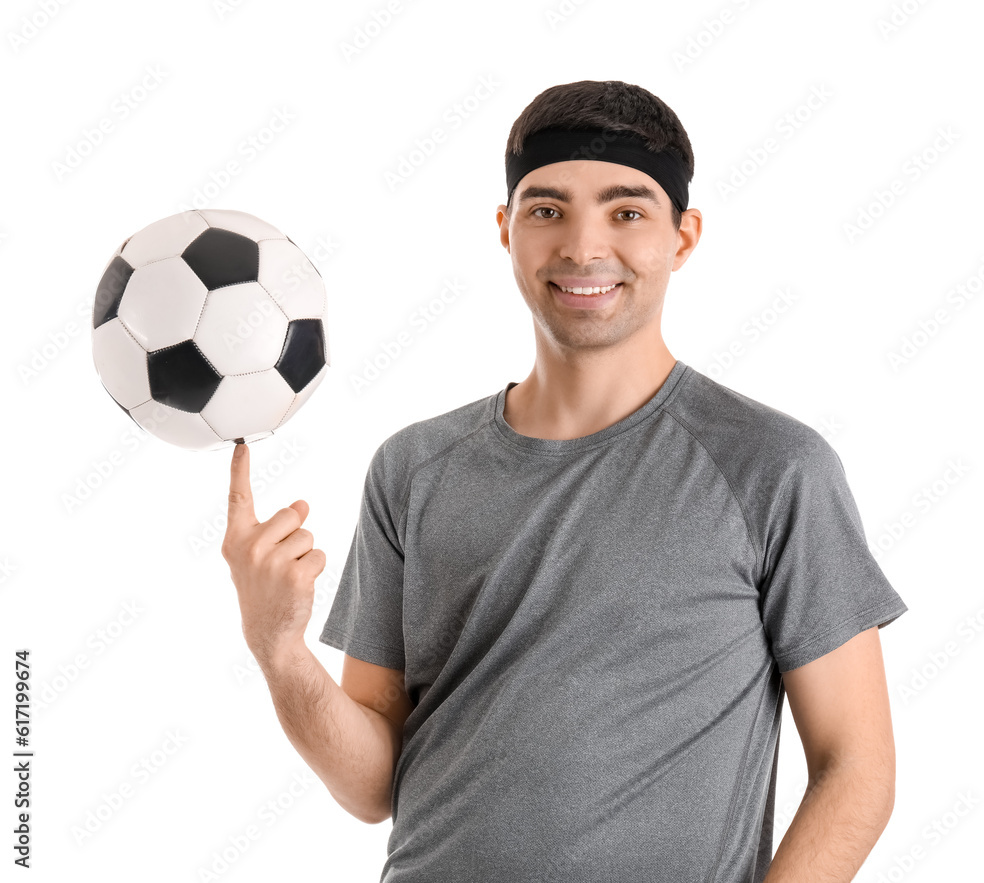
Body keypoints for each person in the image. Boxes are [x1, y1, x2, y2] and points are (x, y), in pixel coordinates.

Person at [222, 80, 908, 882]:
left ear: (682, 236)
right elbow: (373, 787)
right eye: (547, 210)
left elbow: (856, 767)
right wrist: (277, 648)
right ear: (506, 229)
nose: (584, 248)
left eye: (626, 212)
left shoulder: (773, 467)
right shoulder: (412, 469)